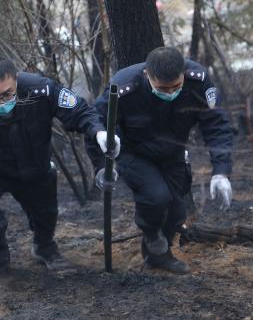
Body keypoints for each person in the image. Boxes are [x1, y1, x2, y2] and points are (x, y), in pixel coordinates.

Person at [0, 53, 120, 286]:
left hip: (34, 160)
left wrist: (98, 132)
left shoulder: (42, 89)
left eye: (7, 94)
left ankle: (44, 247)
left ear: (17, 80)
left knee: (46, 212)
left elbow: (80, 111)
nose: (1, 102)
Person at [88, 46, 233, 274]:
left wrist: (221, 171)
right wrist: (100, 166)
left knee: (177, 213)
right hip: (133, 153)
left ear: (183, 74)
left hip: (173, 153)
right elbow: (96, 124)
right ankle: (152, 234)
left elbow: (216, 125)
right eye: (163, 88)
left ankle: (158, 256)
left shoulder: (198, 81)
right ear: (148, 75)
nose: (170, 93)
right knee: (156, 198)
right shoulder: (124, 86)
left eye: (176, 87)